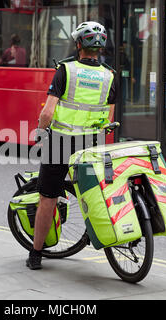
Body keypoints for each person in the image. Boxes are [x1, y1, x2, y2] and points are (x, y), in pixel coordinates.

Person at [26, 21, 116, 270]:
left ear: (78, 44)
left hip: (61, 143)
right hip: (91, 146)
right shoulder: (109, 76)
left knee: (48, 198)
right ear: (100, 48)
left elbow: (48, 111)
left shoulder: (66, 70)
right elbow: (108, 119)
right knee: (93, 195)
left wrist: (40, 132)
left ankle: (36, 254)